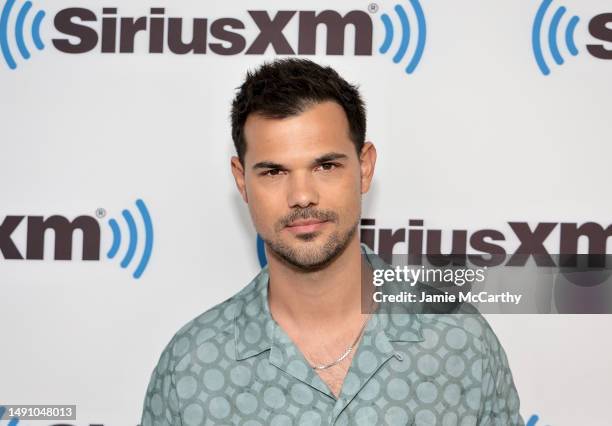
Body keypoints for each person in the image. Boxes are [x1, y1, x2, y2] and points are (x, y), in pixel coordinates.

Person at [141, 58, 524, 425]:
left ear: (365, 167)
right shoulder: (191, 365)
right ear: (242, 181)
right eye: (274, 171)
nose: (303, 195)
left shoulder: (459, 339)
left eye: (326, 166)